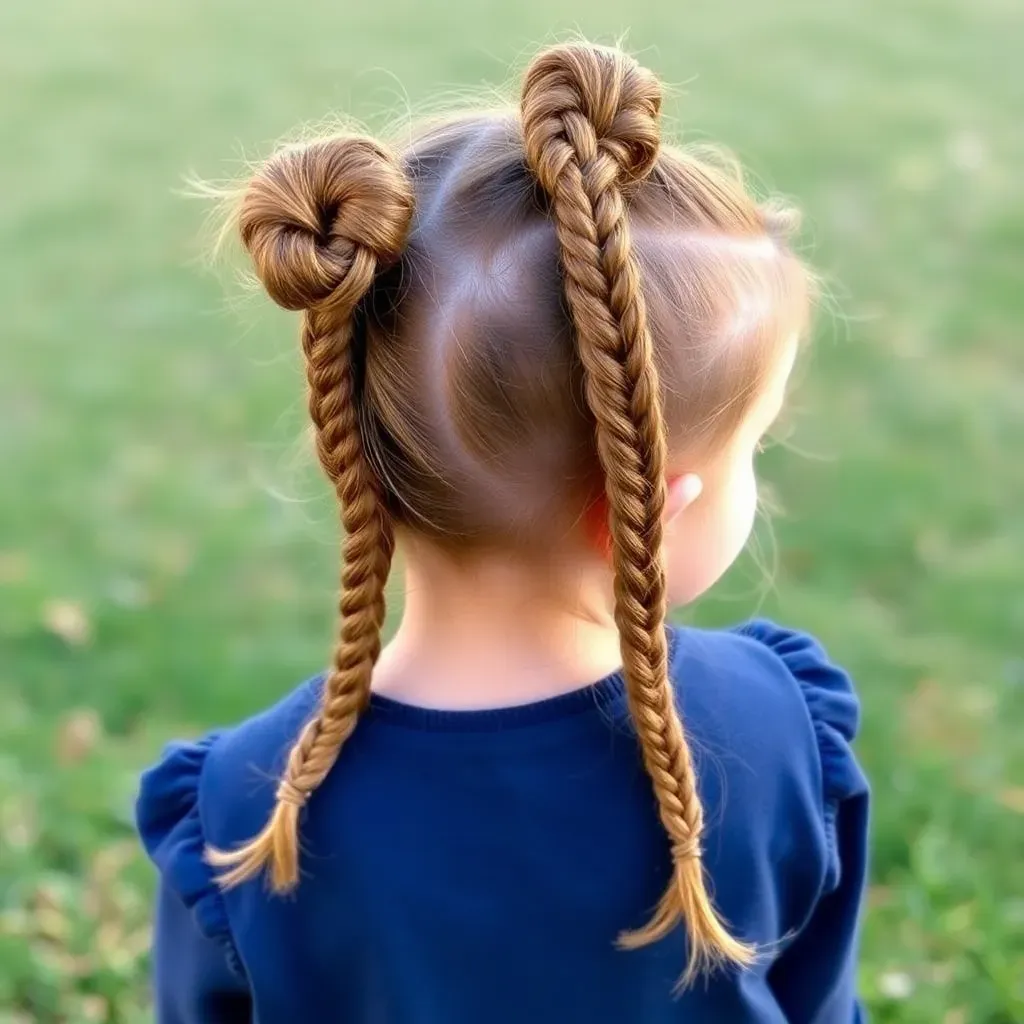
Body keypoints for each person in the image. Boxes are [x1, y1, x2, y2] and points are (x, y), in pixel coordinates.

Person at [135, 40, 869, 1024]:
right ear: (638, 512)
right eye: (756, 444)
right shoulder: (777, 729)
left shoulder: (246, 818)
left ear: (366, 447)